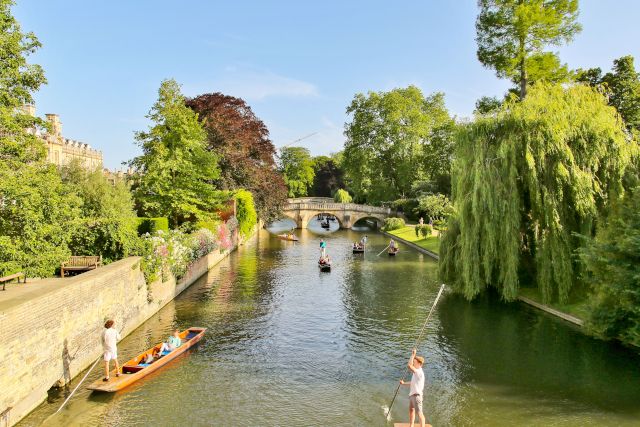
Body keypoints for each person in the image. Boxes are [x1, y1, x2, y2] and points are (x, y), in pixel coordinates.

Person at [399, 348, 426, 427]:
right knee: (411, 410)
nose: (413, 364)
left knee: (420, 413)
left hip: (417, 396)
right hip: (412, 395)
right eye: (413, 362)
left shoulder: (419, 372)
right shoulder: (416, 373)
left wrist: (413, 354)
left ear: (420, 364)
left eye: (415, 362)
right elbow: (412, 383)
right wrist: (404, 383)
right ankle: (411, 426)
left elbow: (409, 366)